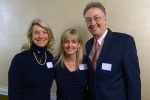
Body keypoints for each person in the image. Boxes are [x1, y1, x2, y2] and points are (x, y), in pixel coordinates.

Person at [83, 1, 141, 100]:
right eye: (88, 20)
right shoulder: (88, 45)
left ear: (105, 20)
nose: (92, 23)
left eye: (97, 18)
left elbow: (133, 82)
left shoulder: (124, 42)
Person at [8, 18, 55, 100]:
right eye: (36, 33)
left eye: (44, 32)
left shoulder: (50, 57)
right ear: (31, 36)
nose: (41, 36)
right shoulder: (19, 59)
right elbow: (13, 92)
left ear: (49, 35)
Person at [54, 28, 89, 100]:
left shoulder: (86, 61)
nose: (70, 45)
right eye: (66, 42)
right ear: (62, 45)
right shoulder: (55, 63)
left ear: (79, 45)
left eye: (74, 42)